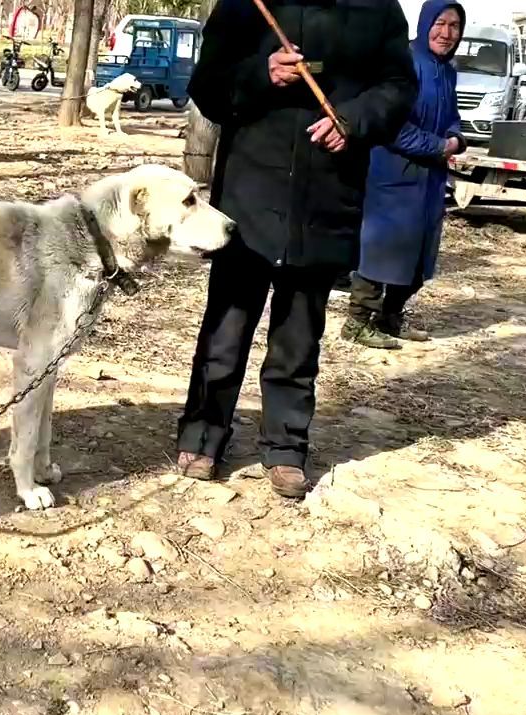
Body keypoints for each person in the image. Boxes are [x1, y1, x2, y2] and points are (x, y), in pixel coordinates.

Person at [174, 0, 418, 497]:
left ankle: (286, 447)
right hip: (249, 199)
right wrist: (261, 74)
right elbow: (207, 88)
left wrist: (351, 120)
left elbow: (398, 88)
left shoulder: (378, 9)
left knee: (299, 338)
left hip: (326, 199)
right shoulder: (247, 6)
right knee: (225, 330)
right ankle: (203, 434)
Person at [342, 0, 466, 349]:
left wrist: (457, 138)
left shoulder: (448, 70)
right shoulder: (404, 62)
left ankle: (391, 315)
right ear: (425, 23)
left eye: (454, 26)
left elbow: (452, 117)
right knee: (381, 248)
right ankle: (357, 322)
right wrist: (439, 147)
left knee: (420, 252)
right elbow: (391, 125)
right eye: (440, 23)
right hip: (393, 172)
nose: (446, 33)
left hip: (431, 178)